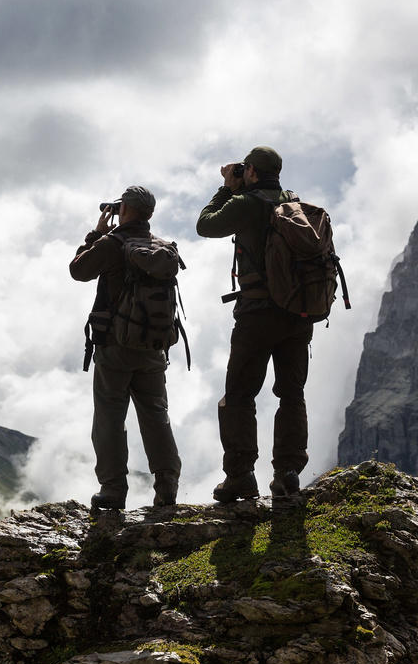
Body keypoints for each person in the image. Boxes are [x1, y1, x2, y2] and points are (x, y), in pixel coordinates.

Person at [196, 146, 311, 502]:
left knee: (240, 396)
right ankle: (288, 473)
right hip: (298, 313)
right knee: (291, 394)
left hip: (257, 314)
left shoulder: (246, 203)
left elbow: (206, 224)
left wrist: (227, 187)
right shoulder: (295, 205)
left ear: (253, 173)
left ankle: (241, 476)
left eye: (245, 169)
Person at [69, 186, 182, 510]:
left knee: (109, 418)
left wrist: (96, 234)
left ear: (126, 210)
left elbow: (78, 270)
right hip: (153, 348)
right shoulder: (162, 248)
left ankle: (113, 489)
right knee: (155, 415)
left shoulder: (113, 243)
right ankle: (167, 485)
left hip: (116, 347)